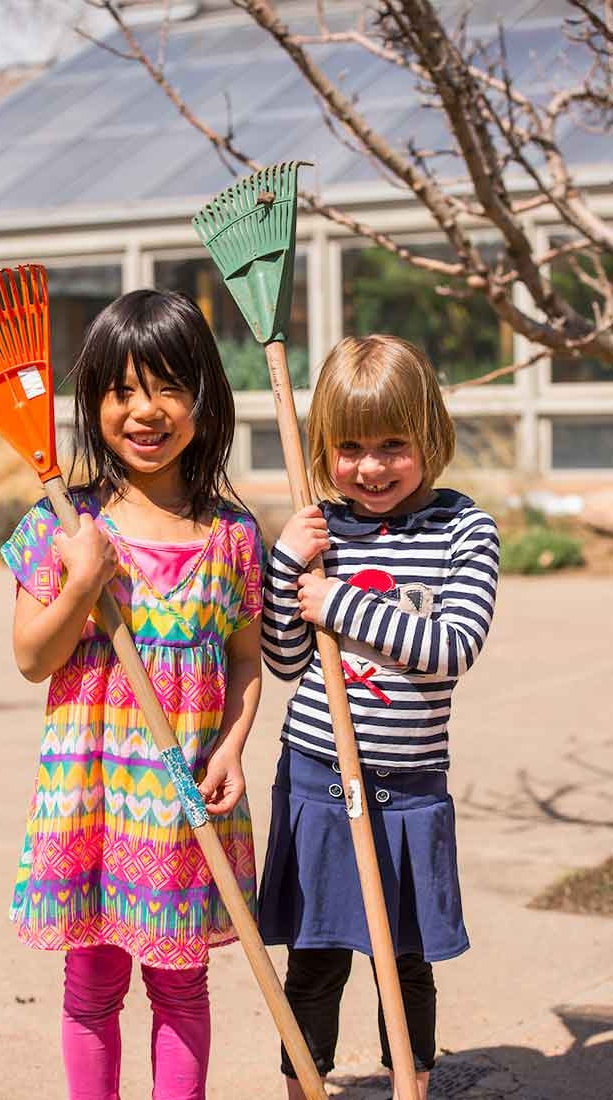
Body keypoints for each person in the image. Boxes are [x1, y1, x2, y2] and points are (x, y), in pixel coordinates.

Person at [0, 289, 264, 1100]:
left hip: (185, 797)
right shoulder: (63, 527)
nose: (144, 411)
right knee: (92, 986)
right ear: (94, 404)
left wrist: (232, 745)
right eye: (120, 390)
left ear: (204, 399)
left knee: (181, 986)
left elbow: (247, 662)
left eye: (167, 387)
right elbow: (32, 659)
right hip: (93, 799)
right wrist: (82, 580)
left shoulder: (232, 537)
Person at [259, 334, 499, 1100]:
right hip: (318, 775)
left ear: (429, 435)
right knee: (316, 959)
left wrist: (343, 604)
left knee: (404, 960)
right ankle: (305, 1086)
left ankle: (410, 1083)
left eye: (393, 444)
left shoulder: (465, 530)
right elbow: (286, 660)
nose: (371, 466)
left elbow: (452, 647)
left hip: (408, 785)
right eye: (350, 447)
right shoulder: (320, 530)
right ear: (324, 447)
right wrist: (287, 565)